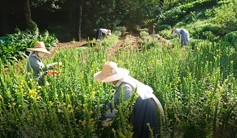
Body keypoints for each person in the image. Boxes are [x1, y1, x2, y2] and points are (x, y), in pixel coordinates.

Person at [94, 62, 165, 138]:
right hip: (143, 106)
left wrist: (105, 115)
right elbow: (116, 103)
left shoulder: (125, 87)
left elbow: (125, 110)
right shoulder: (122, 83)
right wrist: (99, 107)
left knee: (146, 132)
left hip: (146, 108)